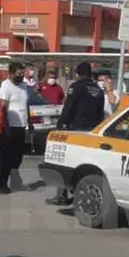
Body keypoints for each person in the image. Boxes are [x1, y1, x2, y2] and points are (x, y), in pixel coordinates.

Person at [47, 61, 107, 206]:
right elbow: (101, 112)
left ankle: (61, 194)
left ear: (78, 74)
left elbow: (69, 107)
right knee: (86, 163)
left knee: (65, 161)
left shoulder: (77, 87)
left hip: (75, 130)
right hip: (92, 131)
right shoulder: (98, 90)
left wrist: (61, 124)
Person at [0, 62, 32, 194]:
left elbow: (26, 104)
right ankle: (2, 184)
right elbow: (2, 107)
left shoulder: (23, 86)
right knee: (5, 157)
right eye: (18, 73)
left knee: (18, 157)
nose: (21, 75)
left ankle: (15, 181)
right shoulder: (6, 85)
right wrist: (6, 126)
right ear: (11, 73)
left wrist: (30, 122)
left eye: (23, 73)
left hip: (21, 126)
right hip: (9, 127)